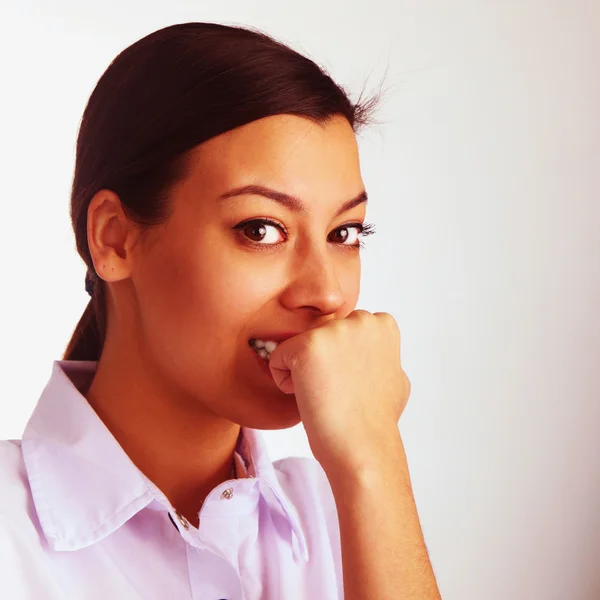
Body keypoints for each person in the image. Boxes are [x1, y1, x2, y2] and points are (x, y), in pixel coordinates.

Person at [0, 22, 441, 599]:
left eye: (345, 232)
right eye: (261, 229)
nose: (327, 293)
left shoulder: (345, 508)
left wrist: (374, 462)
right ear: (115, 239)